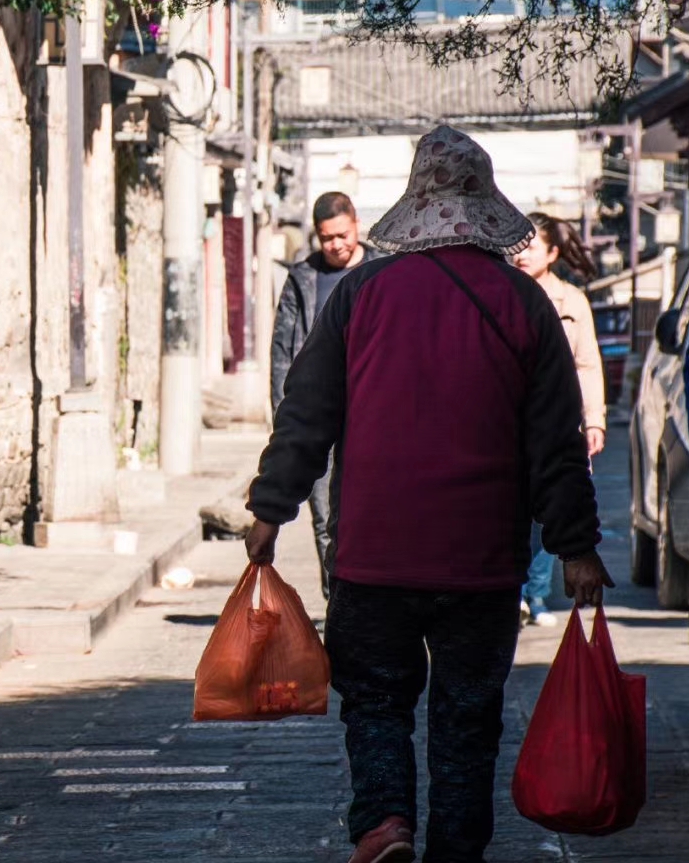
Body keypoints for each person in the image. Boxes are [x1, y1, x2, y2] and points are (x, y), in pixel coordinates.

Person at [243, 125, 613, 863]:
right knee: (467, 717)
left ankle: (384, 823)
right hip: (480, 563)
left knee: (376, 701)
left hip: (374, 555)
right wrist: (575, 547)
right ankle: (455, 849)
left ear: (418, 202)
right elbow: (556, 442)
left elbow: (307, 413)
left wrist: (269, 509)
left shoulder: (361, 295)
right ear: (483, 204)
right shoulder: (524, 305)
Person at [271, 191, 383, 600]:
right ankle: (336, 602)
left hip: (373, 421)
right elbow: (282, 352)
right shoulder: (302, 279)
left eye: (342, 234)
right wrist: (285, 421)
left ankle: (368, 601)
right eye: (326, 237)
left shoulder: (382, 272)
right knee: (325, 519)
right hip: (319, 419)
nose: (336, 244)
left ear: (356, 224)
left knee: (369, 516)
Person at [511, 213, 606, 627]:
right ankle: (517, 593)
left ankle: (536, 593)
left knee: (553, 504)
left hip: (560, 418)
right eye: (516, 245)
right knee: (515, 508)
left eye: (531, 246)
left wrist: (594, 420)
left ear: (552, 253)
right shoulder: (504, 295)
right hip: (513, 420)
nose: (521, 254)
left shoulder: (571, 301)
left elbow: (587, 364)